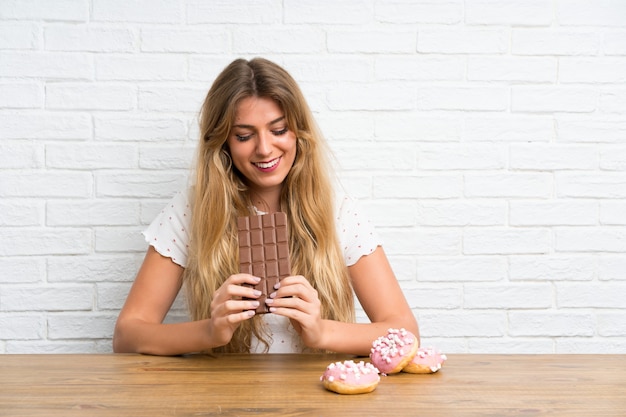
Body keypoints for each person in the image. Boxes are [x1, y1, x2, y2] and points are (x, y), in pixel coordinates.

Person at [113, 57, 419, 356]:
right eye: (244, 135)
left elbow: (405, 333)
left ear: (299, 131)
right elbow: (127, 334)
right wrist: (209, 331)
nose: (264, 148)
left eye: (279, 130)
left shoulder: (338, 212)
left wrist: (322, 331)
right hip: (225, 399)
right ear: (223, 143)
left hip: (314, 397)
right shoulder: (192, 210)